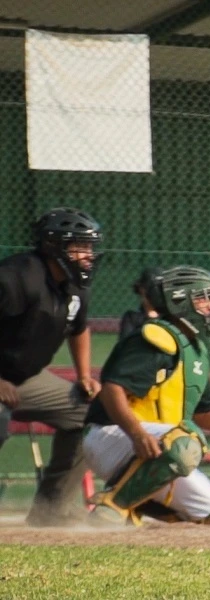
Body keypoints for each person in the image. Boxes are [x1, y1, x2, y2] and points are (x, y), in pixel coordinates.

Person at [83, 265, 210, 525]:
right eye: (204, 297)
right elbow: (113, 390)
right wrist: (137, 434)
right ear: (180, 301)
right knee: (186, 440)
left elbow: (207, 413)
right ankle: (114, 504)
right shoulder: (156, 337)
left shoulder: (195, 349)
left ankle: (134, 505)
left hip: (157, 449)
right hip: (112, 435)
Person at [0, 207, 104, 527]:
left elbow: (79, 328)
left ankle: (51, 510)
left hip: (26, 377)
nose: (88, 255)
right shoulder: (16, 277)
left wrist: (84, 376)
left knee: (90, 414)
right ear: (53, 246)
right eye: (80, 246)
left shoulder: (75, 285)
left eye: (90, 247)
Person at [118, 267, 161, 340]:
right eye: (152, 289)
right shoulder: (132, 318)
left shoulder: (170, 317)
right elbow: (124, 346)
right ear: (142, 290)